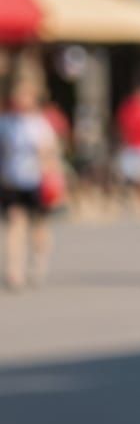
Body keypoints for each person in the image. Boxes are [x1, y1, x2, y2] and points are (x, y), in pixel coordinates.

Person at [0, 85, 62, 290]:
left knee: (38, 227)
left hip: (36, 181)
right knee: (14, 223)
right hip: (12, 180)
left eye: (25, 95)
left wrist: (52, 175)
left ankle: (38, 261)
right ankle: (14, 270)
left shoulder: (40, 124)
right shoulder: (6, 123)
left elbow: (52, 154)